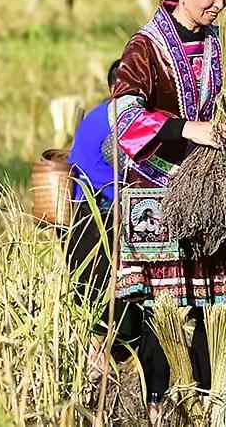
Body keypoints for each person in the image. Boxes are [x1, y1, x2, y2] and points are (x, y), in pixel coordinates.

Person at [111, 0, 226, 422]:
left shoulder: (225, 44)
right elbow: (123, 116)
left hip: (215, 190)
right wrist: (186, 128)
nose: (220, 4)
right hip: (157, 193)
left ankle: (207, 401)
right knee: (163, 305)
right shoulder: (145, 47)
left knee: (211, 301)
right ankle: (159, 403)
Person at [66, 59, 135, 379]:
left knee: (101, 294)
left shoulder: (106, 116)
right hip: (96, 219)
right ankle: (99, 361)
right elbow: (121, 172)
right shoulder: (112, 121)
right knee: (103, 294)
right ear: (115, 89)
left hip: (93, 215)